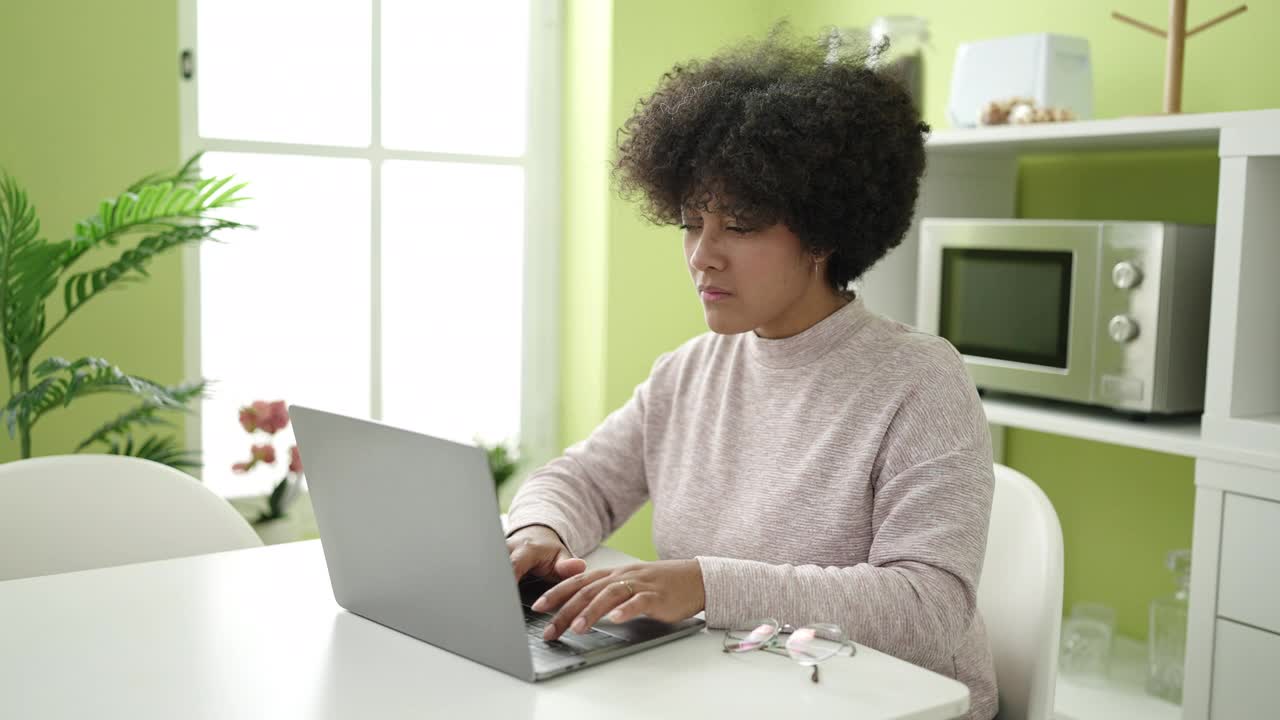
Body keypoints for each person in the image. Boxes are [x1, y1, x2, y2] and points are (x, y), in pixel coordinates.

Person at [505, 24, 996, 720]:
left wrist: (707, 586)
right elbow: (578, 480)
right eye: (690, 221)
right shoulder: (688, 372)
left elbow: (930, 606)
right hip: (744, 693)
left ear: (824, 233)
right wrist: (539, 534)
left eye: (739, 226)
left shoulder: (919, 381)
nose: (702, 255)